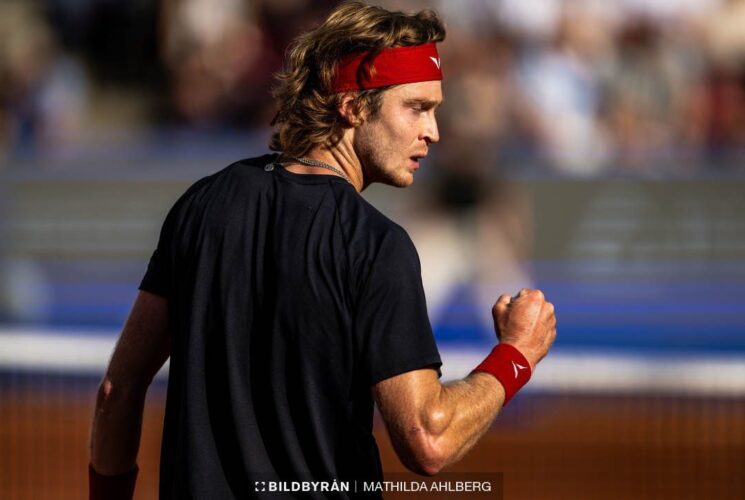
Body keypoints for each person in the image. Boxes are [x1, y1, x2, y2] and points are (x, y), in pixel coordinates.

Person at [88, 2, 556, 499]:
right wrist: (516, 355)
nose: (433, 132)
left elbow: (118, 390)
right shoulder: (377, 246)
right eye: (417, 108)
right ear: (352, 106)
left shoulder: (203, 204)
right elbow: (429, 439)